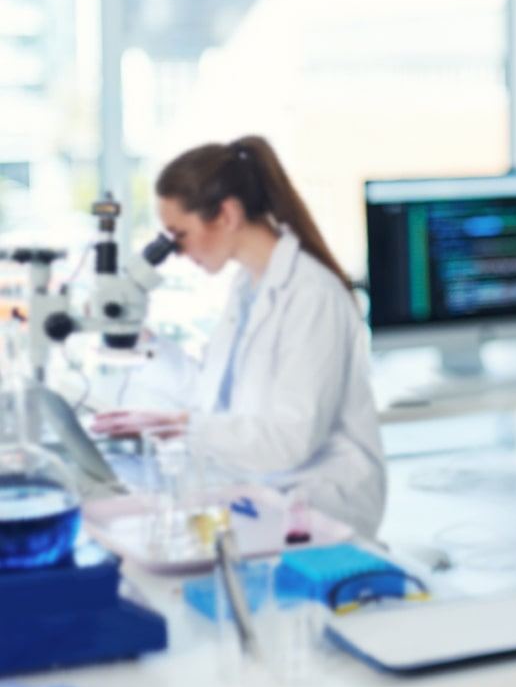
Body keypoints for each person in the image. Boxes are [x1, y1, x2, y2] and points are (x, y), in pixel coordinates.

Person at [93, 136, 386, 538]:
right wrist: (146, 345)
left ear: (226, 214)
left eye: (179, 234)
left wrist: (181, 425)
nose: (175, 252)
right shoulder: (248, 287)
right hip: (264, 494)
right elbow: (215, 398)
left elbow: (288, 440)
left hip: (321, 508)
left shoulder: (310, 295)